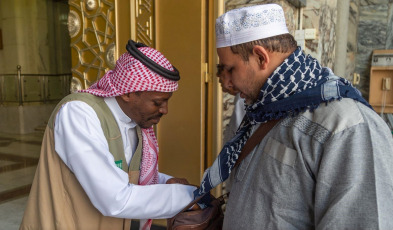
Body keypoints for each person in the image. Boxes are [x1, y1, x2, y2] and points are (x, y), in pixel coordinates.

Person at [194, 4, 393, 229]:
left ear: (260, 57)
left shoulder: (349, 127)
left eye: (231, 69)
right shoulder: (260, 110)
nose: (227, 82)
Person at [20, 40, 197, 230]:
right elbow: (114, 199)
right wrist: (186, 196)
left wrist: (166, 182)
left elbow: (123, 175)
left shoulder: (136, 122)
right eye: (157, 102)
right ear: (128, 93)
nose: (165, 110)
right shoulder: (79, 113)